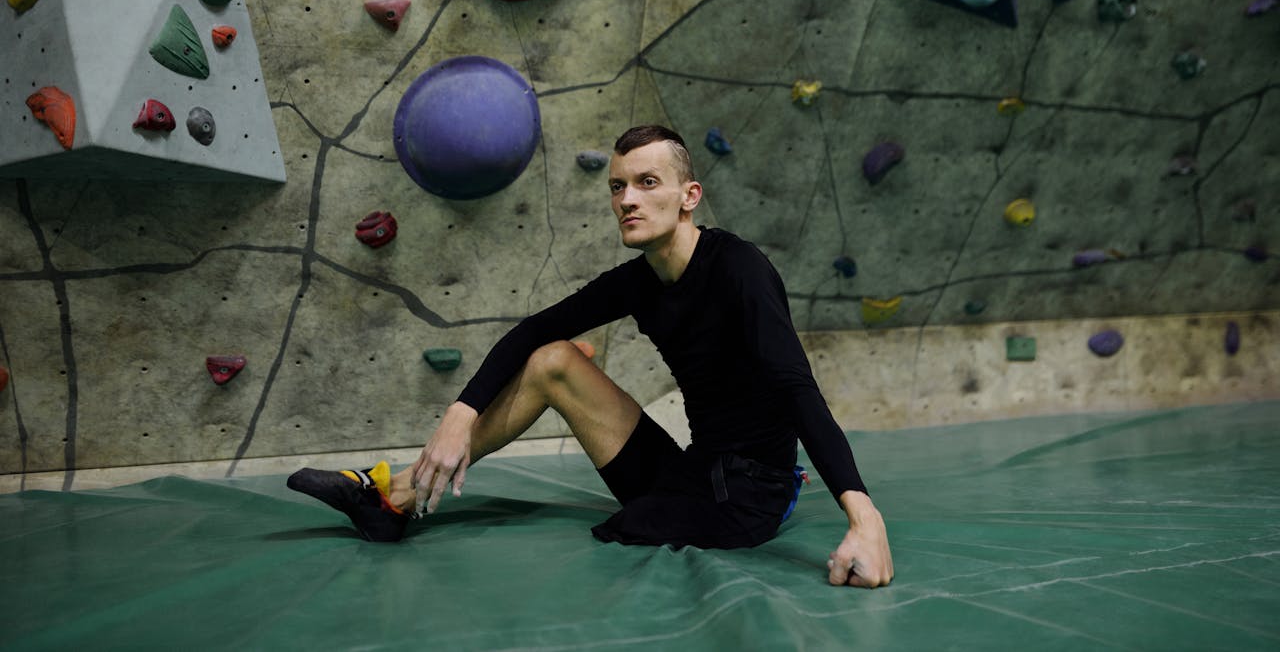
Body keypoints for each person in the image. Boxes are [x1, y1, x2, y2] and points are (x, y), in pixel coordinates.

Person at [289, 125, 893, 588]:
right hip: (693, 467)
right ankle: (394, 496)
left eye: (646, 183)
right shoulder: (640, 279)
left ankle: (391, 498)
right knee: (554, 357)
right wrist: (461, 411)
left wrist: (864, 520)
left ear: (690, 196)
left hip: (749, 495)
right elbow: (535, 330)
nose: (627, 199)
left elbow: (796, 388)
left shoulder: (740, 269)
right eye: (617, 186)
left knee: (634, 525)